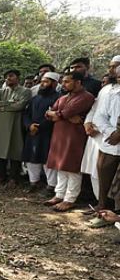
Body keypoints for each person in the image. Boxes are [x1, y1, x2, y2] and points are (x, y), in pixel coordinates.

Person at [44, 71, 95, 212]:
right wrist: (58, 115)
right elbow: (48, 113)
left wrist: (59, 115)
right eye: (63, 81)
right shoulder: (63, 97)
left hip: (75, 137)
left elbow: (66, 112)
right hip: (60, 135)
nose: (63, 84)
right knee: (61, 166)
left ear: (78, 82)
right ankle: (59, 194)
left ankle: (70, 199)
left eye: (67, 82)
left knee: (72, 168)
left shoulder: (86, 97)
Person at [83, 56, 120, 212]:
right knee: (102, 171)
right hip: (108, 139)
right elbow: (99, 114)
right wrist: (112, 132)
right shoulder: (107, 90)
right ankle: (102, 207)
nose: (112, 70)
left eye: (116, 67)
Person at [0, 70, 32, 186]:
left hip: (15, 125)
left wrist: (3, 106)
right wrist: (10, 103)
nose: (8, 78)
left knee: (15, 151)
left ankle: (13, 178)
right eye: (6, 77)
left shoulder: (25, 91)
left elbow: (20, 106)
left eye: (11, 76)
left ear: (18, 78)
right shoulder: (0, 91)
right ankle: (0, 176)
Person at [22, 72, 60, 192]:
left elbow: (55, 116)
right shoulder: (35, 98)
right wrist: (29, 126)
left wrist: (39, 127)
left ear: (54, 83)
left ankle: (51, 186)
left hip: (47, 133)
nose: (42, 84)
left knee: (47, 159)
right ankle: (34, 182)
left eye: (46, 82)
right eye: (41, 81)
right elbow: (26, 114)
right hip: (32, 132)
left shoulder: (58, 98)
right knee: (31, 158)